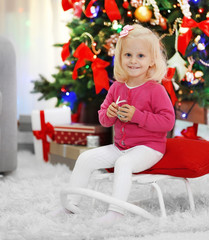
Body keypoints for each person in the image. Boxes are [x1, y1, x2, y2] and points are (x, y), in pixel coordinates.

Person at [62, 24, 175, 226]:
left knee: (124, 163)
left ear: (151, 61)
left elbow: (168, 122)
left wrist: (138, 116)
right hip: (121, 147)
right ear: (120, 57)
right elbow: (103, 119)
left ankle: (116, 212)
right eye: (128, 55)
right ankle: (71, 205)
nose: (133, 60)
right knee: (86, 157)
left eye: (141, 56)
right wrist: (109, 114)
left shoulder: (155, 90)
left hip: (149, 148)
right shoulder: (117, 87)